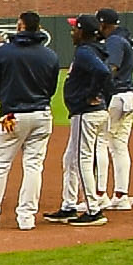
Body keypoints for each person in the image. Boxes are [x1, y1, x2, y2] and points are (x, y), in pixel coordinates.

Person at [0, 12, 59, 231]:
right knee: (34, 166)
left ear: (20, 26)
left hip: (12, 115)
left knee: (0, 166)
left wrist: (6, 101)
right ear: (38, 27)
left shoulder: (4, 52)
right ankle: (26, 217)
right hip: (42, 113)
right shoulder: (50, 55)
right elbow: (51, 87)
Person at [48, 17, 112, 226]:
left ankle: (93, 210)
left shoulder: (85, 51)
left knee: (81, 159)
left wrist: (92, 95)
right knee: (70, 159)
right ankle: (69, 206)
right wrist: (103, 99)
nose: (72, 32)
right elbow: (107, 77)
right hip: (90, 112)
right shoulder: (92, 50)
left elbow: (103, 73)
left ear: (83, 32)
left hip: (86, 112)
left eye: (75, 28)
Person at [94, 8, 133, 209]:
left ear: (103, 24)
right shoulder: (122, 39)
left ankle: (99, 195)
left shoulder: (113, 41)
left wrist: (94, 89)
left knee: (101, 142)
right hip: (131, 96)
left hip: (117, 96)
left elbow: (110, 69)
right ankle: (121, 196)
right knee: (119, 146)